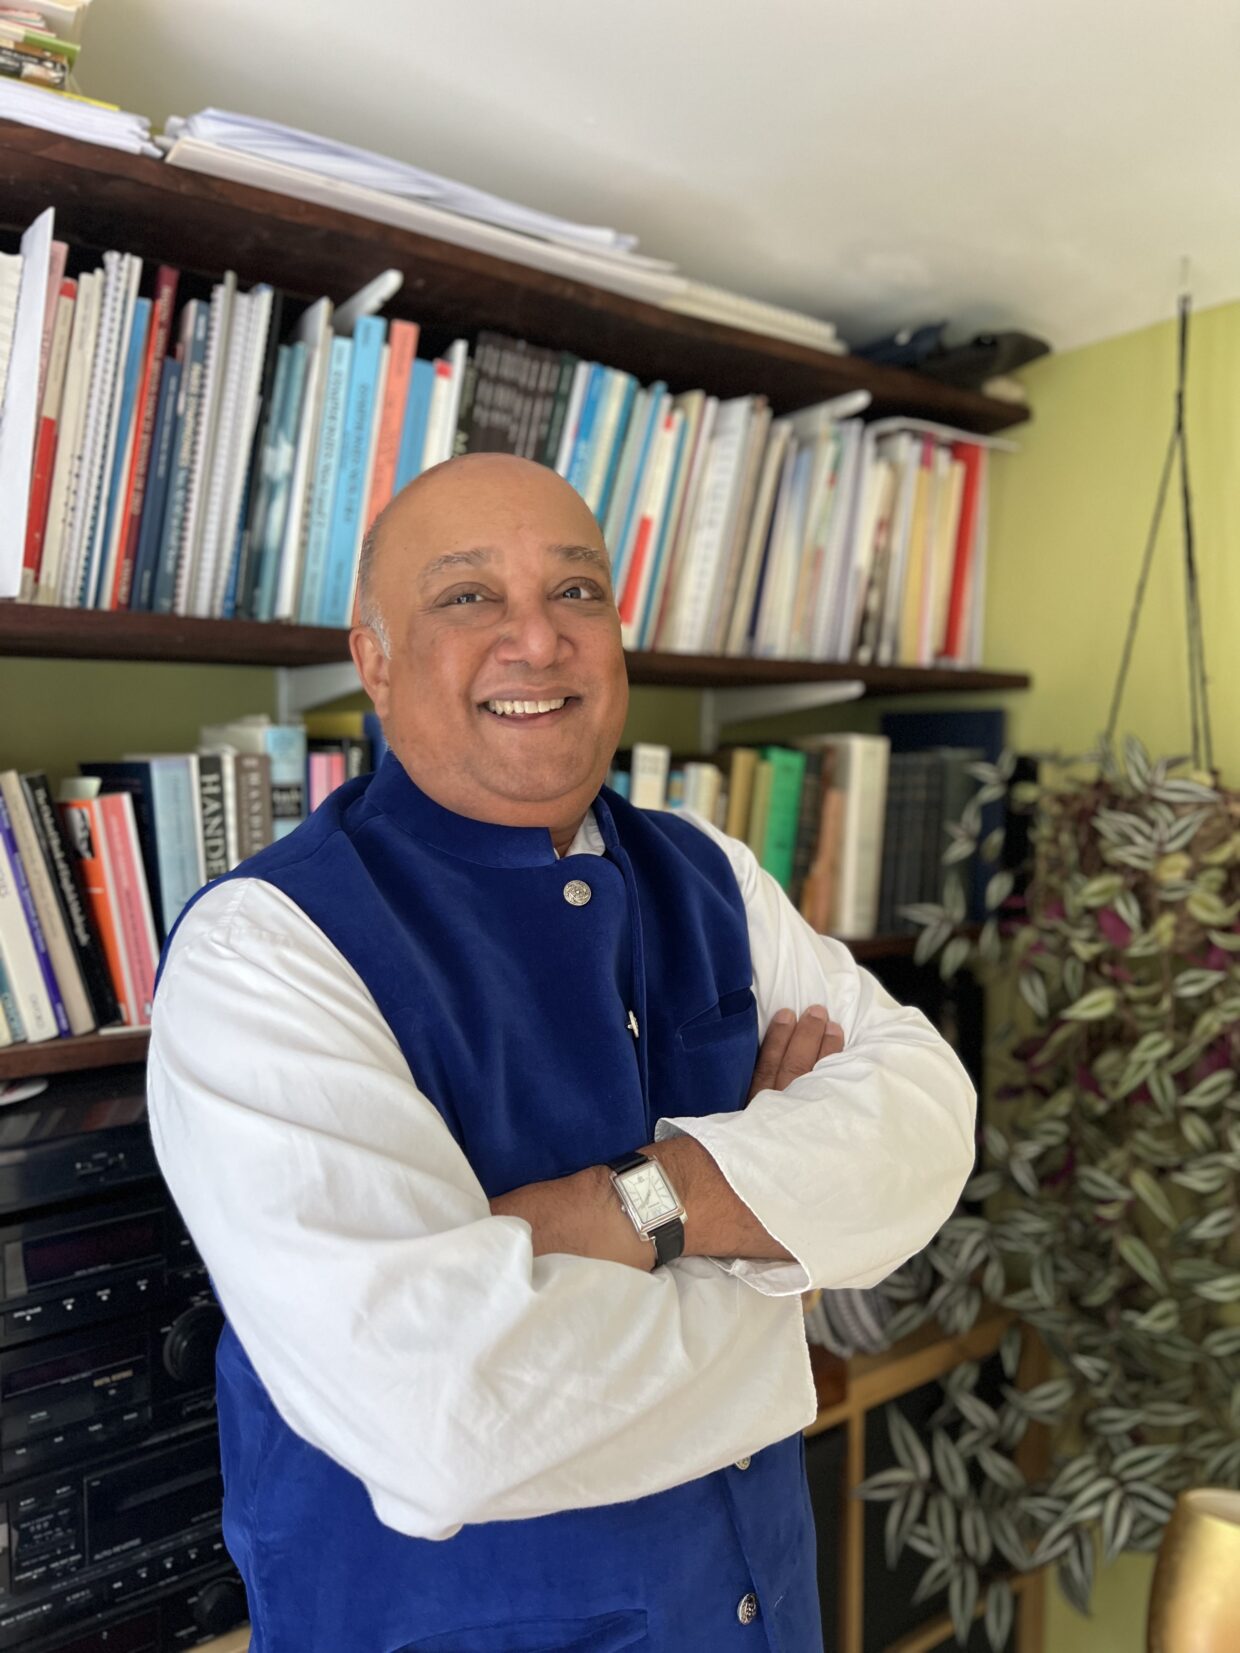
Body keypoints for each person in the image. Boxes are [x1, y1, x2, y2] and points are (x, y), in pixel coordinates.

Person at [148, 453, 976, 1653]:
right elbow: (441, 1411)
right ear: (373, 656)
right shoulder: (265, 950)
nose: (536, 640)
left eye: (576, 592)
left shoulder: (708, 870)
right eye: (468, 595)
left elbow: (926, 1123)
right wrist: (776, 1249)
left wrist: (636, 1208)